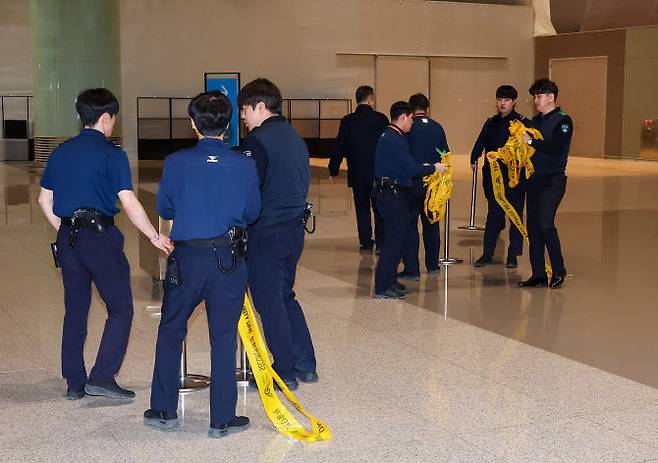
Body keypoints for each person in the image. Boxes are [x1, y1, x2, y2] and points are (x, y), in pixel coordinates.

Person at [37, 88, 172, 401]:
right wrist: (154, 236)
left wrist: (65, 229)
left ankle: (74, 382)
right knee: (121, 309)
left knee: (75, 310)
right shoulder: (113, 155)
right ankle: (101, 377)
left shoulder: (60, 152)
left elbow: (45, 199)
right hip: (99, 239)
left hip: (68, 239)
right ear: (106, 117)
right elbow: (129, 202)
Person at [144, 91, 261, 437]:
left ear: (193, 124)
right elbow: (253, 212)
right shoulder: (244, 164)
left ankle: (164, 410)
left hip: (187, 258)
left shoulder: (176, 162)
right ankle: (222, 418)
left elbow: (165, 209)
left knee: (171, 328)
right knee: (223, 336)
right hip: (227, 257)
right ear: (228, 126)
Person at [237, 78, 317, 390]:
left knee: (269, 301)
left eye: (244, 109)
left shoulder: (257, 142)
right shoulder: (294, 137)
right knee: (284, 295)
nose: (242, 117)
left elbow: (248, 191)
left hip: (266, 233)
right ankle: (304, 362)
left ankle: (283, 369)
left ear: (259, 106)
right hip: (293, 230)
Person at [373, 101, 446, 299]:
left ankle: (389, 280)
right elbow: (411, 169)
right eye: (410, 120)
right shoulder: (394, 139)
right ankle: (382, 285)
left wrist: (417, 165)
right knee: (393, 241)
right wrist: (433, 168)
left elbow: (405, 164)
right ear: (403, 118)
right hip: (391, 194)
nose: (412, 125)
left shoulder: (392, 135)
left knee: (399, 238)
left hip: (394, 192)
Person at [519, 78, 572, 289]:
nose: (535, 100)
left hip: (553, 179)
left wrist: (530, 141)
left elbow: (554, 146)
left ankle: (558, 269)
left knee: (545, 223)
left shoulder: (563, 120)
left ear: (551, 97)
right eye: (534, 96)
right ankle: (538, 273)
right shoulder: (535, 121)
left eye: (539, 96)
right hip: (534, 179)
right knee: (532, 227)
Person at [470, 85, 530, 269]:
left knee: (515, 216)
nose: (502, 103)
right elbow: (480, 142)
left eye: (506, 100)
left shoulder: (521, 123)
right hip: (493, 179)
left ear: (514, 102)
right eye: (500, 100)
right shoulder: (491, 122)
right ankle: (487, 254)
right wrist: (474, 158)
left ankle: (513, 255)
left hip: (514, 179)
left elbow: (530, 147)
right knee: (494, 215)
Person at [328, 85, 389, 253]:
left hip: (357, 172)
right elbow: (388, 145)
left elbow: (339, 146)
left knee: (362, 210)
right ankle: (381, 243)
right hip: (378, 172)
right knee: (379, 209)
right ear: (370, 99)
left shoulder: (348, 121)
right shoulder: (381, 119)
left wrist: (333, 169)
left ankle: (366, 243)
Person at [398, 93, 449, 280]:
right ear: (428, 108)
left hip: (412, 182)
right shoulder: (438, 127)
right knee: (431, 225)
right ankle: (432, 264)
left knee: (410, 225)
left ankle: (412, 268)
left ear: (411, 110)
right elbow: (445, 154)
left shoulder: (408, 128)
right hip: (433, 184)